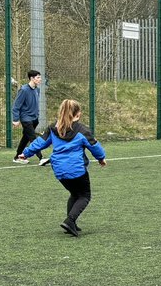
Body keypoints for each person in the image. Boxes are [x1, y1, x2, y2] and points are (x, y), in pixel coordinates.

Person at [22, 99, 107, 237]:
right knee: (84, 196)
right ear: (77, 115)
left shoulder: (54, 128)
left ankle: (71, 224)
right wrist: (101, 158)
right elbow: (94, 146)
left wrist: (26, 153)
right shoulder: (82, 130)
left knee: (74, 194)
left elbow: (40, 142)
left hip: (59, 170)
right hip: (77, 170)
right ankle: (70, 220)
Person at [11, 70, 43, 163]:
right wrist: (15, 119)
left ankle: (17, 157)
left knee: (25, 138)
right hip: (26, 119)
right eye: (38, 77)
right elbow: (16, 106)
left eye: (40, 77)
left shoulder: (37, 90)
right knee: (33, 139)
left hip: (34, 119)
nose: (40, 79)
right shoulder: (24, 90)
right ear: (32, 78)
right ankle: (41, 158)